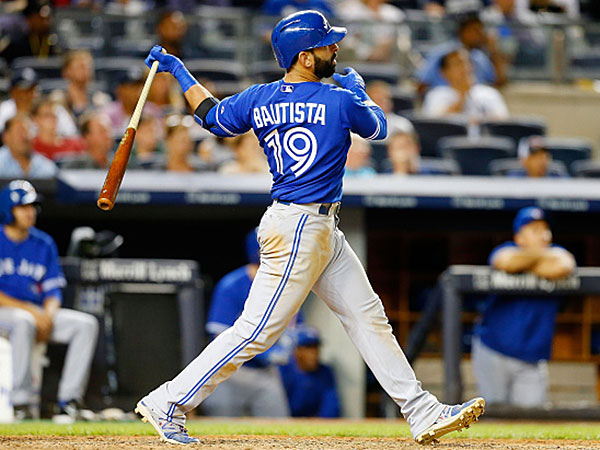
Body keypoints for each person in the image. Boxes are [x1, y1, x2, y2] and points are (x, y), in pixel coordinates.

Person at [135, 10, 484, 445]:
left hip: (313, 227)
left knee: (366, 316)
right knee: (256, 330)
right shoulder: (338, 99)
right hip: (300, 225)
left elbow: (210, 116)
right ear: (304, 57)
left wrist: (179, 70)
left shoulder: (261, 97)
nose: (333, 48)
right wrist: (358, 90)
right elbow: (377, 127)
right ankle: (169, 401)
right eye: (324, 44)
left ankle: (420, 410)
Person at [0, 180, 99, 422]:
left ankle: (69, 401)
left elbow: (53, 291)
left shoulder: (43, 242)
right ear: (7, 210)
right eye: (23, 207)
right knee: (23, 321)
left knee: (85, 324)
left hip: (35, 313)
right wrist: (34, 313)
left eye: (33, 206)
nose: (30, 212)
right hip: (8, 313)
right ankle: (21, 404)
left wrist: (47, 315)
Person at [472, 206, 575, 406]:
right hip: (494, 350)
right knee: (493, 415)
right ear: (519, 237)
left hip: (532, 359)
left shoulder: (558, 254)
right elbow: (505, 262)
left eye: (545, 230)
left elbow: (564, 265)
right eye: (535, 230)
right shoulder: (506, 249)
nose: (544, 235)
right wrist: (540, 259)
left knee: (532, 419)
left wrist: (530, 262)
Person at [202, 229, 291, 417]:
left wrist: (288, 342)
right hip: (229, 370)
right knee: (219, 432)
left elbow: (292, 326)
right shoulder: (232, 285)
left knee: (280, 431)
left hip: (265, 374)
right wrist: (260, 351)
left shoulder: (286, 285)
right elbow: (219, 334)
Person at [416, 14, 506, 92]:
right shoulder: (441, 52)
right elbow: (422, 83)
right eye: (475, 30)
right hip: (445, 100)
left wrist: (494, 51)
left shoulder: (479, 57)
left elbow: (499, 83)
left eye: (481, 30)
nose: (480, 35)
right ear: (463, 32)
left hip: (474, 101)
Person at [422, 48, 509, 122]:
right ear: (444, 72)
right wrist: (462, 97)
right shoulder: (435, 95)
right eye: (458, 64)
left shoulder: (490, 93)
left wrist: (480, 120)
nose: (465, 68)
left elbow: (502, 124)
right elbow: (435, 125)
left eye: (467, 63)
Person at [279, 326, 340, 417]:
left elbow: (331, 407)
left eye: (315, 347)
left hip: (314, 424)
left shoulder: (325, 372)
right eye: (308, 347)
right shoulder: (283, 370)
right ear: (296, 351)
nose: (314, 352)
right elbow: (276, 408)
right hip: (286, 422)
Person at [50, 50, 111, 123]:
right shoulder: (57, 99)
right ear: (67, 71)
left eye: (88, 67)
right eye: (80, 67)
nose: (85, 71)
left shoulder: (100, 100)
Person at [0, 114, 58, 179]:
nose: (24, 136)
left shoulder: (46, 167)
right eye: (19, 131)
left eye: (28, 131)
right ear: (5, 137)